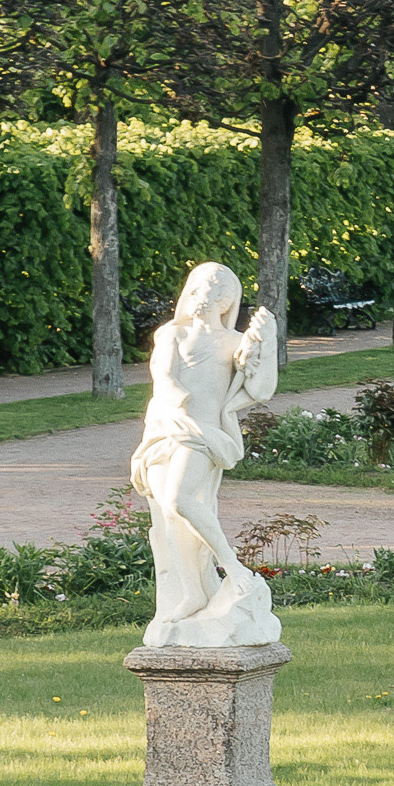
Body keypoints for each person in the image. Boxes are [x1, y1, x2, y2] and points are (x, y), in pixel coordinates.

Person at [130, 261, 280, 648]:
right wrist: (175, 398)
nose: (200, 297)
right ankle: (192, 593)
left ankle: (232, 567)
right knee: (168, 518)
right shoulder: (172, 334)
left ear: (227, 301)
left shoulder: (234, 343)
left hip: (204, 433)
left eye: (211, 292)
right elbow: (163, 373)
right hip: (168, 425)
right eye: (195, 289)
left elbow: (260, 387)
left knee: (180, 500)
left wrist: (265, 343)